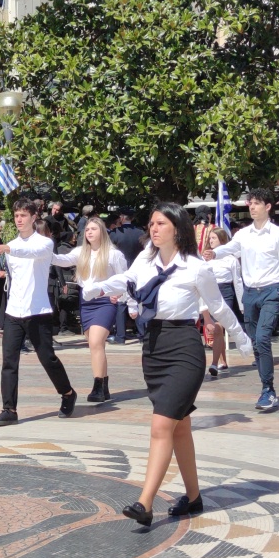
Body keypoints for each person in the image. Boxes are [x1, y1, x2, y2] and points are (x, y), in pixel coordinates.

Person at [87, 202, 249, 523]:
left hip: (184, 348)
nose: (154, 228)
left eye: (161, 223)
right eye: (152, 223)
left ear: (178, 228)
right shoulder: (145, 260)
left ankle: (144, 504)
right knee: (180, 427)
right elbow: (127, 281)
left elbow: (218, 306)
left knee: (162, 425)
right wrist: (101, 288)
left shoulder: (195, 267)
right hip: (154, 347)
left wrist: (241, 337)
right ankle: (194, 497)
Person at [206, 186, 279, 409]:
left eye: (257, 203)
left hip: (271, 292)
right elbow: (230, 248)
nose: (252, 207)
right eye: (251, 203)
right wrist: (214, 253)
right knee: (256, 342)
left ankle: (268, 389)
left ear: (268, 207)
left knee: (263, 337)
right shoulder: (243, 234)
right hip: (250, 294)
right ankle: (265, 385)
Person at [0, 200, 80, 425]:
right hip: (14, 312)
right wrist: (9, 249)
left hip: (38, 311)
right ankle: (9, 409)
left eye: (23, 215)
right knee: (9, 362)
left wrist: (8, 249)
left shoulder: (44, 243)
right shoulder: (11, 245)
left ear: (33, 217)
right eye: (16, 215)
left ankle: (68, 393)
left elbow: (30, 252)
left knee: (47, 358)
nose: (19, 219)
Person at [64, 216, 127, 403]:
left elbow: (125, 279)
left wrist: (120, 296)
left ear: (102, 232)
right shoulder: (81, 252)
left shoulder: (114, 254)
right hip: (86, 302)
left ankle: (97, 386)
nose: (89, 232)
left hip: (105, 301)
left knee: (95, 342)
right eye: (87, 229)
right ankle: (104, 387)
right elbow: (62, 260)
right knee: (96, 346)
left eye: (94, 229)